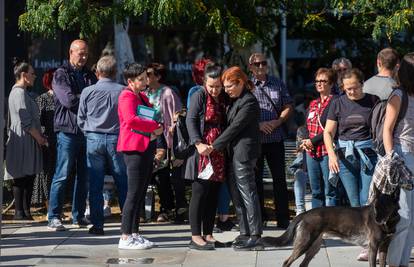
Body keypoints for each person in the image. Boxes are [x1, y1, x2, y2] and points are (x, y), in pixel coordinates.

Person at [210, 66, 263, 250]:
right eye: (225, 87)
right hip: (233, 153)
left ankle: (256, 235)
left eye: (229, 86)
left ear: (240, 82)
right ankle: (244, 232)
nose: (226, 90)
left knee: (247, 193)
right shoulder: (235, 100)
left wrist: (214, 146)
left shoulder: (249, 101)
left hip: (244, 154)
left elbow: (235, 128)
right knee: (236, 194)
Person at [47, 39, 97, 231]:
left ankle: (78, 216)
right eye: (80, 53)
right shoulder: (61, 74)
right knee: (62, 174)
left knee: (84, 176)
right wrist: (86, 97)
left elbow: (96, 98)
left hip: (86, 131)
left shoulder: (89, 75)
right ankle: (54, 217)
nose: (83, 57)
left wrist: (83, 97)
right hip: (67, 131)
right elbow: (68, 101)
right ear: (70, 52)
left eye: (86, 53)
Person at [77, 55, 127, 235]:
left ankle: (98, 225)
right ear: (115, 72)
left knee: (95, 184)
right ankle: (127, 225)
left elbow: (81, 118)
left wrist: (89, 133)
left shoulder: (87, 91)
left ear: (97, 72)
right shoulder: (123, 91)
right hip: (116, 139)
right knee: (123, 182)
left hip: (94, 139)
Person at [117, 63, 163, 249]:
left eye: (146, 77)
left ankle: (135, 233)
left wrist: (156, 126)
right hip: (133, 149)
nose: (146, 81)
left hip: (145, 147)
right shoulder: (126, 96)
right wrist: (154, 128)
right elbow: (131, 120)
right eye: (141, 79)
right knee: (133, 193)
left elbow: (149, 116)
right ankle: (125, 237)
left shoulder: (141, 96)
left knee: (141, 192)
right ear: (130, 81)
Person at [249, 52, 293, 228]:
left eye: (263, 63)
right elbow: (240, 110)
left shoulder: (277, 83)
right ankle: (260, 219)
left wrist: (278, 121)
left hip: (275, 138)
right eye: (257, 64)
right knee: (255, 180)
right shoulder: (246, 85)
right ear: (250, 67)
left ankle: (283, 219)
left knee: (279, 180)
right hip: (255, 139)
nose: (261, 67)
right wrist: (258, 124)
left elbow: (288, 105)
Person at [324, 68, 379, 208]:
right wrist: (331, 155)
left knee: (366, 200)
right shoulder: (337, 103)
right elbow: (328, 132)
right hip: (344, 156)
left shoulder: (373, 100)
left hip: (368, 154)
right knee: (354, 203)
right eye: (348, 89)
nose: (352, 92)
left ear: (362, 84)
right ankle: (357, 230)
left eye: (355, 88)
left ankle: (368, 229)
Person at [186, 63, 226, 250]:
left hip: (218, 150)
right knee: (199, 193)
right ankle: (195, 236)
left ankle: (208, 233)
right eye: (211, 86)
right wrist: (197, 143)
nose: (214, 90)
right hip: (202, 151)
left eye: (218, 86)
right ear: (204, 82)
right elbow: (191, 119)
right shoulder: (198, 95)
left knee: (213, 194)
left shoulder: (222, 98)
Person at [5, 60, 47, 220]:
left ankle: (25, 211)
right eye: (32, 73)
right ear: (23, 75)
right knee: (21, 176)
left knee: (27, 175)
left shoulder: (23, 93)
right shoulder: (18, 93)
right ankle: (20, 212)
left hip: (27, 139)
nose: (35, 76)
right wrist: (39, 139)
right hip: (23, 139)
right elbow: (26, 121)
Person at [146, 63, 187, 222]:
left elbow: (177, 117)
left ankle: (170, 209)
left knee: (166, 176)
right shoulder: (145, 92)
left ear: (158, 76)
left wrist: (172, 132)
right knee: (156, 174)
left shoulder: (168, 93)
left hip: (166, 138)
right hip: (149, 138)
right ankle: (163, 208)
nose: (146, 77)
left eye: (149, 74)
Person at [383, 53, 414, 267]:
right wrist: (392, 157)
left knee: (412, 219)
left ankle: (403, 262)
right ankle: (394, 263)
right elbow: (387, 129)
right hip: (403, 158)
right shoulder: (399, 95)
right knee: (404, 215)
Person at [301, 68, 337, 208]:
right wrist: (305, 140)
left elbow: (330, 129)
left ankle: (331, 224)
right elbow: (307, 125)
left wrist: (312, 141)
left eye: (323, 81)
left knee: (330, 191)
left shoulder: (336, 101)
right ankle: (317, 223)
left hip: (327, 151)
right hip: (311, 152)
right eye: (317, 81)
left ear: (331, 83)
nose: (319, 84)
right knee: (316, 191)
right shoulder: (313, 103)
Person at [31, 68, 56, 207]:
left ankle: (55, 207)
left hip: (61, 142)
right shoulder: (42, 99)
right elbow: (37, 122)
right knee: (47, 175)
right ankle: (49, 207)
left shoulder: (63, 98)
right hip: (47, 144)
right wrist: (44, 140)